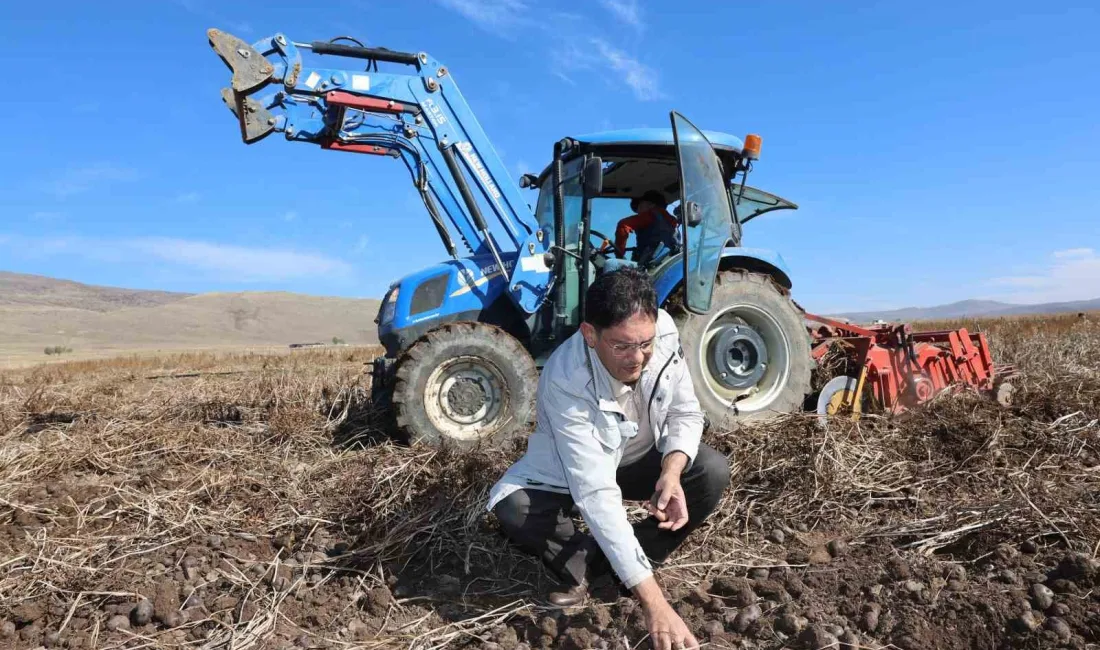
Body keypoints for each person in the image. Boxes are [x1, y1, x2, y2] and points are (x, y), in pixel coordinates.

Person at [486, 267, 730, 650]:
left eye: (644, 344)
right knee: (513, 506)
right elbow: (596, 490)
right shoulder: (565, 378)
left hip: (636, 456)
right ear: (589, 334)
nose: (637, 359)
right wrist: (655, 603)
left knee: (711, 471)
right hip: (572, 470)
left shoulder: (662, 331)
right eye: (621, 346)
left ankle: (625, 565)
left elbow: (685, 412)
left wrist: (671, 470)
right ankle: (597, 564)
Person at [613, 190, 681, 265]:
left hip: (647, 265)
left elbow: (623, 225)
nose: (638, 212)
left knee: (610, 264)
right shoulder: (673, 222)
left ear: (651, 204)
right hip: (666, 262)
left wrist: (619, 255)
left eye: (639, 206)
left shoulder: (651, 215)